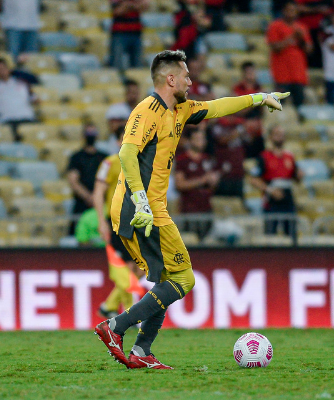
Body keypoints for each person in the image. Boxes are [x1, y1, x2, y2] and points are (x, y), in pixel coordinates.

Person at [95, 49, 290, 369]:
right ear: (170, 79)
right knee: (184, 278)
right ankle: (115, 327)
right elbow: (127, 156)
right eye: (186, 75)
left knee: (168, 281)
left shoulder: (180, 109)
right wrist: (142, 201)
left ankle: (141, 352)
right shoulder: (147, 109)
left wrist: (258, 97)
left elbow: (216, 107)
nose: (190, 79)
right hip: (140, 208)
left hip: (148, 208)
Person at [93, 125, 143, 319]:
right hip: (117, 221)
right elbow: (98, 193)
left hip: (137, 221)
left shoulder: (142, 164)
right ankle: (132, 313)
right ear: (118, 142)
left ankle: (108, 306)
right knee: (126, 269)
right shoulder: (110, 163)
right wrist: (101, 220)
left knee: (140, 269)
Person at [249, 125, 303, 236]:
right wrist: (270, 190)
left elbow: (295, 177)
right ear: (270, 137)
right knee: (270, 232)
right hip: (271, 197)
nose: (280, 137)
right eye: (277, 134)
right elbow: (253, 179)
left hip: (287, 197)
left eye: (282, 135)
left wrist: (299, 175)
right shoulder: (264, 157)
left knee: (291, 232)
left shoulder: (289, 156)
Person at [175, 125, 220, 238]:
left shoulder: (207, 159)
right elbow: (180, 184)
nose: (202, 142)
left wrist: (214, 181)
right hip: (190, 210)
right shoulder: (182, 160)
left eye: (203, 139)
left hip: (207, 208)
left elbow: (212, 186)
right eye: (198, 139)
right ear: (190, 141)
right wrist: (202, 180)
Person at [266, 1, 313, 108]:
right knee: (279, 106)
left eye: (293, 10)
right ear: (283, 11)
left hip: (299, 75)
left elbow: (309, 50)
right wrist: (292, 38)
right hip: (282, 75)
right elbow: (275, 47)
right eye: (289, 10)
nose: (291, 13)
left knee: (299, 106)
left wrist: (301, 39)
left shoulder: (302, 27)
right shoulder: (275, 26)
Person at [67, 125, 108, 220]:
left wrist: (98, 197)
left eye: (92, 133)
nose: (90, 136)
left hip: (103, 203)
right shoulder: (76, 157)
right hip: (81, 204)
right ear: (83, 136)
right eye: (88, 134)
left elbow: (108, 179)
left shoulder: (104, 157)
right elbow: (73, 181)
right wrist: (89, 197)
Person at [0, 58, 36, 135]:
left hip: (26, 118)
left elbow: (34, 98)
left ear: (8, 69)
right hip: (7, 121)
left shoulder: (22, 83)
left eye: (3, 68)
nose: (2, 72)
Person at [233, 62, 265, 159]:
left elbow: (263, 113)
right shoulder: (237, 89)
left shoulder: (259, 88)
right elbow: (238, 111)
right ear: (243, 74)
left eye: (253, 72)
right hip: (243, 127)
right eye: (248, 72)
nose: (251, 74)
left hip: (257, 128)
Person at [101, 79, 140, 154]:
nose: (133, 95)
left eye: (136, 93)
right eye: (131, 93)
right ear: (126, 93)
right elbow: (113, 127)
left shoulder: (143, 109)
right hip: (116, 146)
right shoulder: (116, 109)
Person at [109, 0, 149, 70]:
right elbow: (118, 11)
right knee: (117, 63)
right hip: (119, 33)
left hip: (136, 33)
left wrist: (127, 5)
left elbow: (145, 6)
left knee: (137, 64)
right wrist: (134, 6)